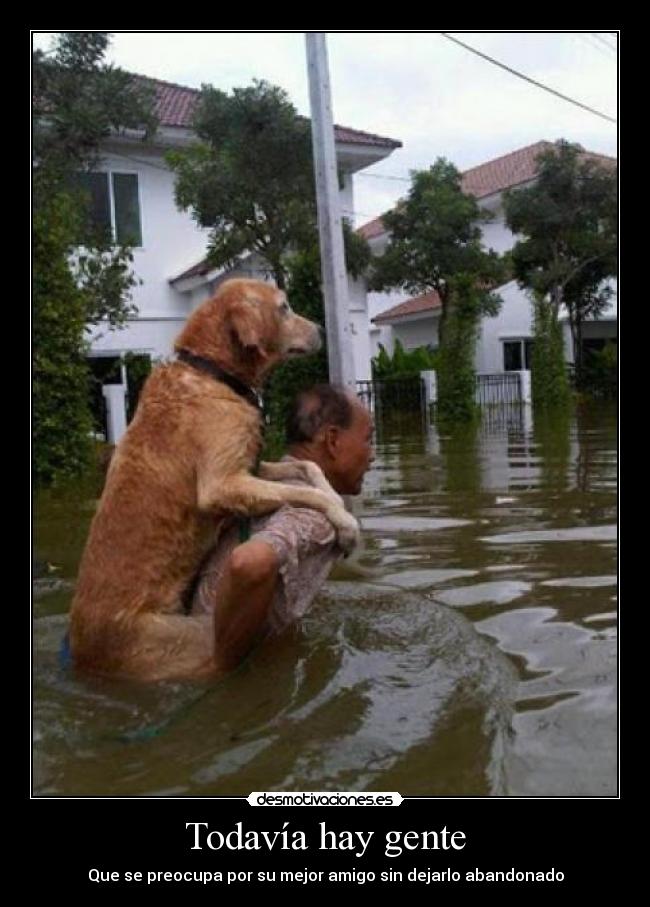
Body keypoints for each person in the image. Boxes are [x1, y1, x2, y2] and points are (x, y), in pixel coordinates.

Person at [191, 384, 374, 673]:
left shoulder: (256, 486)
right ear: (333, 441)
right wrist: (222, 669)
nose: (372, 455)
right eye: (368, 439)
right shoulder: (316, 515)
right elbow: (249, 564)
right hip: (199, 666)